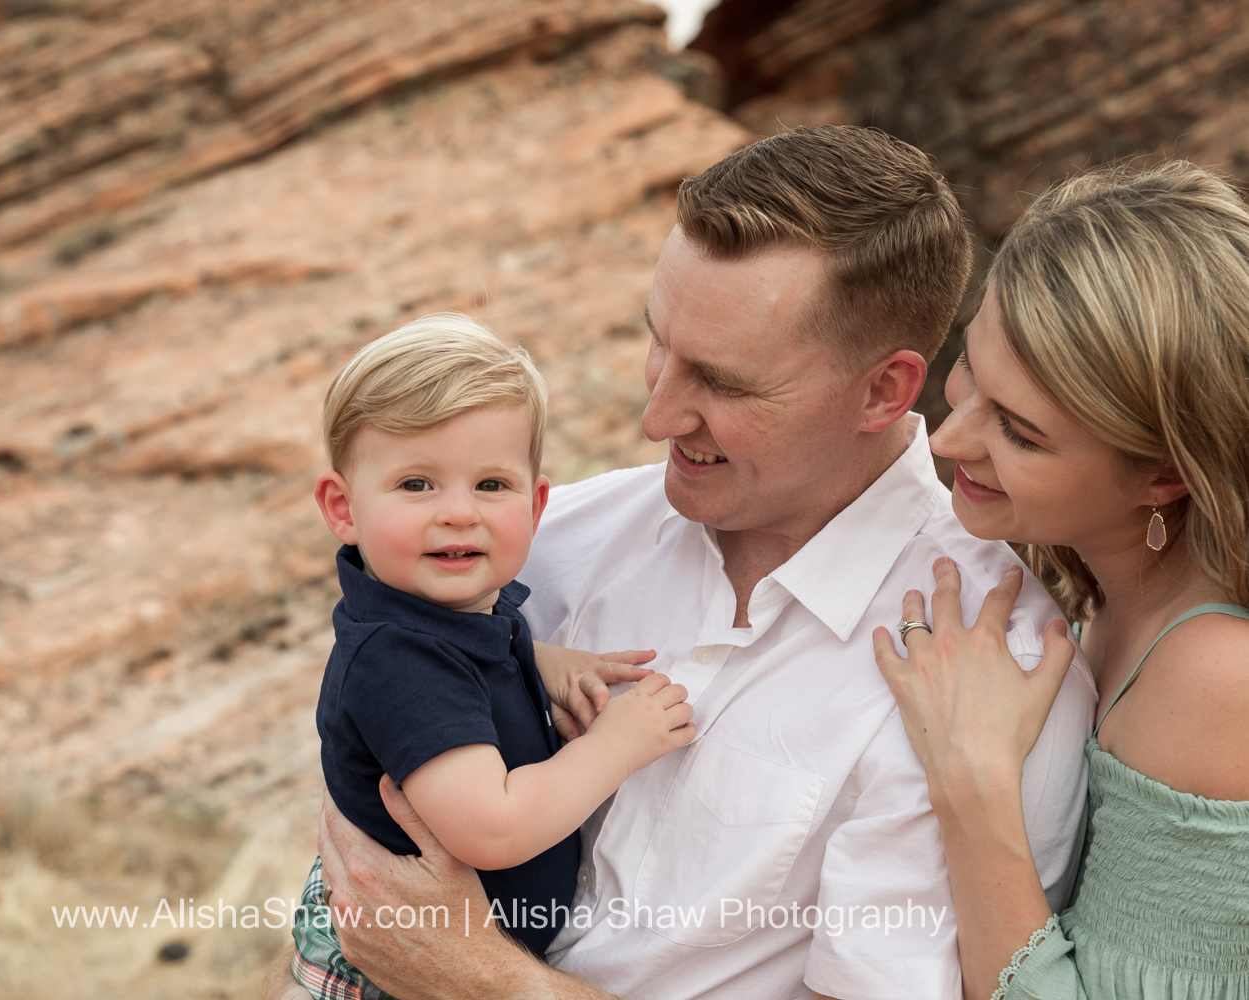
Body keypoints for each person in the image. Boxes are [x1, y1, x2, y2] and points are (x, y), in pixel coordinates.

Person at [266, 125, 1097, 1000]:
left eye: (724, 382)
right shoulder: (549, 542)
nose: (656, 417)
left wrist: (485, 981)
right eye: (658, 342)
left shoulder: (992, 683)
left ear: (884, 390)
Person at [872, 161, 1249, 1000]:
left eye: (1019, 432)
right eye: (969, 370)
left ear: (1163, 477)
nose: (948, 437)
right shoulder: (1115, 599)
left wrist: (970, 776)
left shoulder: (1217, 680)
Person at [293, 313, 696, 998]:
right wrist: (618, 746)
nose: (458, 512)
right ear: (343, 508)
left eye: (491, 485)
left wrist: (541, 661)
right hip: (385, 979)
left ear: (537, 505)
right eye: (417, 484)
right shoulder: (398, 658)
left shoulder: (455, 611)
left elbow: (474, 657)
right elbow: (496, 827)